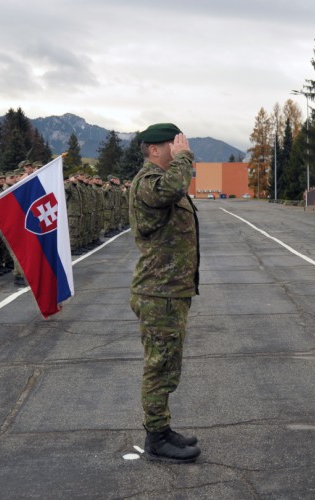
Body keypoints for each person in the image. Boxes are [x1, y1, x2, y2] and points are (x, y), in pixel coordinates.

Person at [129, 123, 201, 463]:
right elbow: (172, 188)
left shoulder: (164, 180)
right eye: (174, 143)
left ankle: (162, 426)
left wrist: (182, 160)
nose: (181, 147)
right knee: (159, 365)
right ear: (155, 149)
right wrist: (184, 159)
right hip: (158, 293)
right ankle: (156, 438)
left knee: (168, 363)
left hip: (170, 291)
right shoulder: (148, 184)